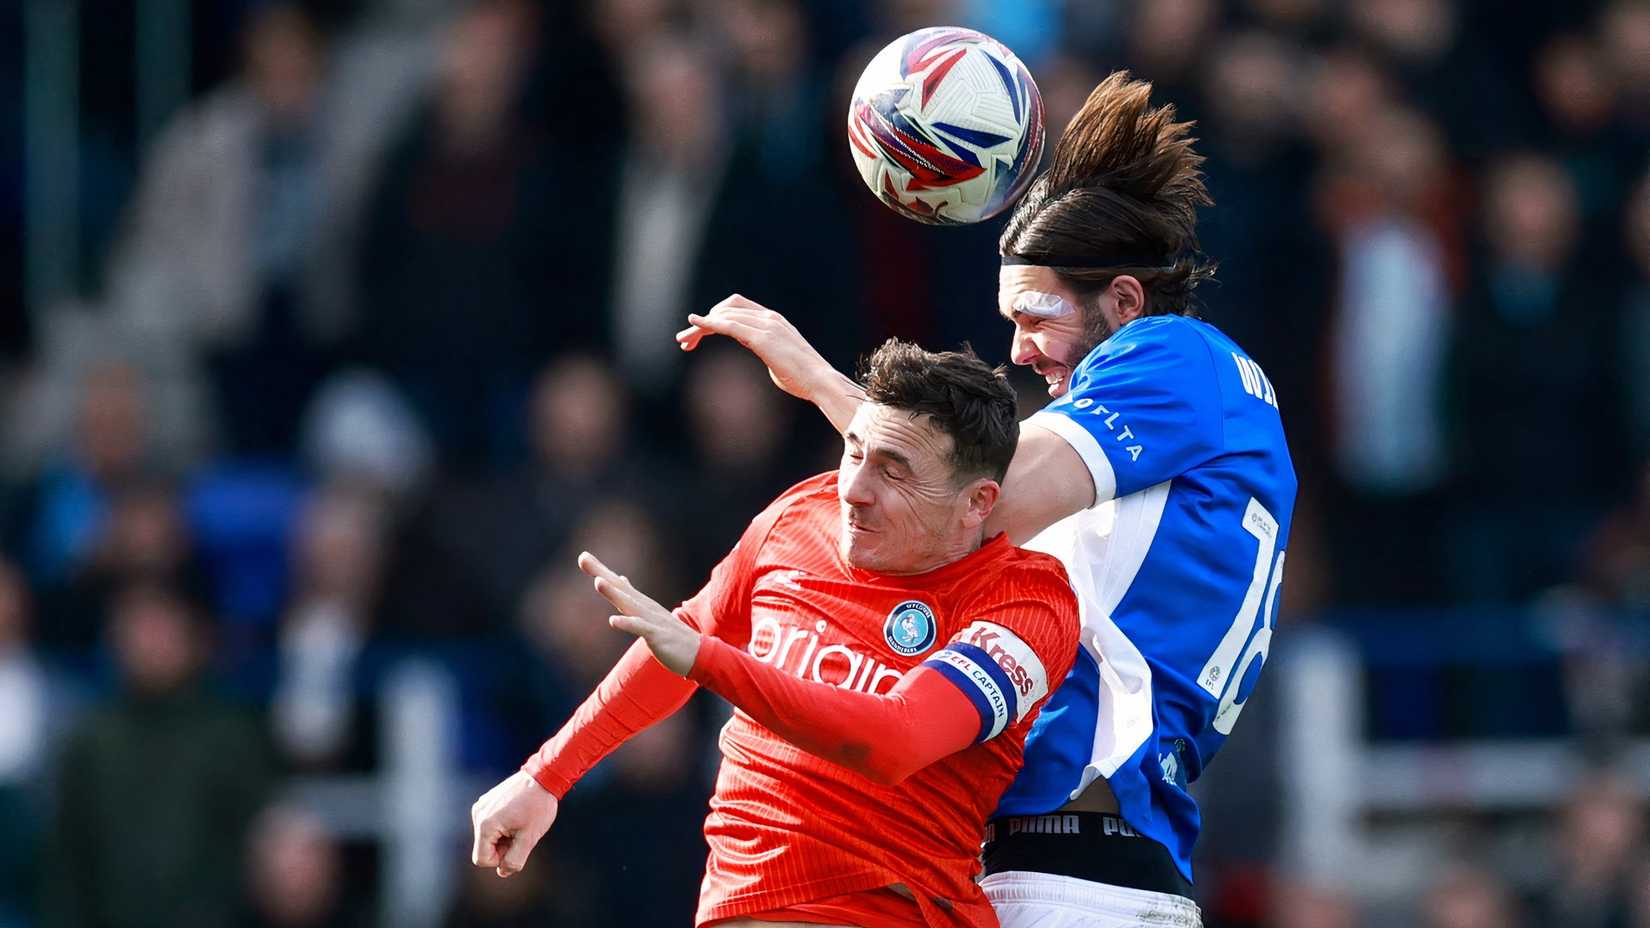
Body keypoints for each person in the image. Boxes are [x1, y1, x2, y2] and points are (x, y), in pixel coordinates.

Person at [679, 71, 1298, 927]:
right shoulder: (1197, 396)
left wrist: (821, 381)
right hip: (1074, 860)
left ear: (1123, 302)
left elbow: (975, 501)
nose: (1021, 348)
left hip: (1069, 872)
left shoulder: (1172, 356)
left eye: (1037, 317)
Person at [469, 340, 1080, 928]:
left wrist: (709, 661)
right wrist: (544, 778)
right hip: (733, 900)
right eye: (854, 451)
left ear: (978, 503)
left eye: (894, 473)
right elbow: (674, 644)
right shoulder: (799, 515)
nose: (854, 491)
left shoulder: (1027, 600)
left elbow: (897, 738)